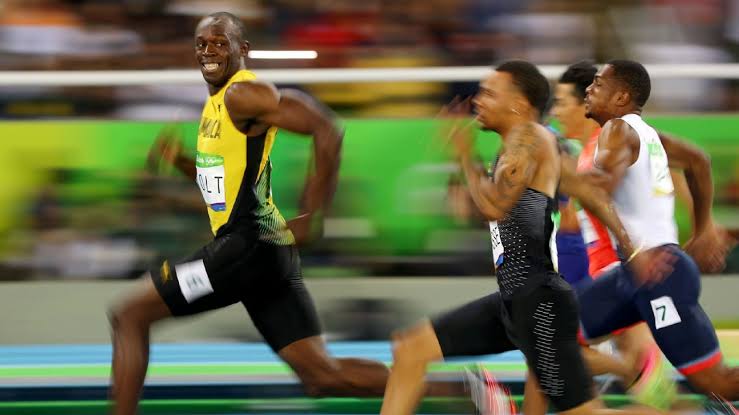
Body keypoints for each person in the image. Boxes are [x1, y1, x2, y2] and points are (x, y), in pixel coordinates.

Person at [107, 12, 390, 415]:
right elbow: (226, 188)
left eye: (220, 43)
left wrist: (313, 213)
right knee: (321, 377)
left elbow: (327, 129)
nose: (209, 51)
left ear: (243, 50)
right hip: (265, 252)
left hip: (245, 247)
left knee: (129, 316)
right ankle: (455, 388)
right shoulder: (216, 105)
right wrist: (184, 163)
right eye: (202, 44)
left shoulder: (242, 94)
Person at [379, 60, 673, 415]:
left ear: (518, 103)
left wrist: (464, 156)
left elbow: (495, 205)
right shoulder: (527, 146)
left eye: (489, 94)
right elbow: (591, 194)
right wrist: (632, 249)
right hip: (513, 302)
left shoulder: (530, 138)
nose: (478, 101)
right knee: (411, 349)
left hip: (539, 304)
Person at [573, 60, 739, 401]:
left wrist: (557, 174)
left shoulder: (617, 130)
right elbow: (698, 160)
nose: (588, 89)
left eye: (598, 84)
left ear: (621, 97)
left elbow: (602, 186)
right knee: (554, 332)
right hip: (633, 273)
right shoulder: (647, 134)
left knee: (717, 383)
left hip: (659, 275)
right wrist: (703, 228)